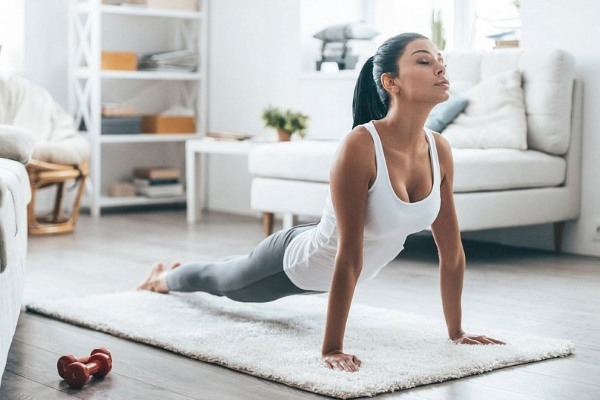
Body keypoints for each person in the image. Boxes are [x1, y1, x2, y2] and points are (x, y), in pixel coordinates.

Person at [138, 32, 505, 373]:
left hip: (332, 269)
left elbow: (452, 251)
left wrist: (457, 332)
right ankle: (163, 278)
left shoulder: (438, 149)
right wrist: (332, 348)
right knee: (222, 280)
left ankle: (173, 272)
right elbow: (348, 254)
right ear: (390, 82)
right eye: (424, 61)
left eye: (441, 60)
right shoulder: (360, 146)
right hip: (298, 262)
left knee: (226, 273)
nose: (440, 66)